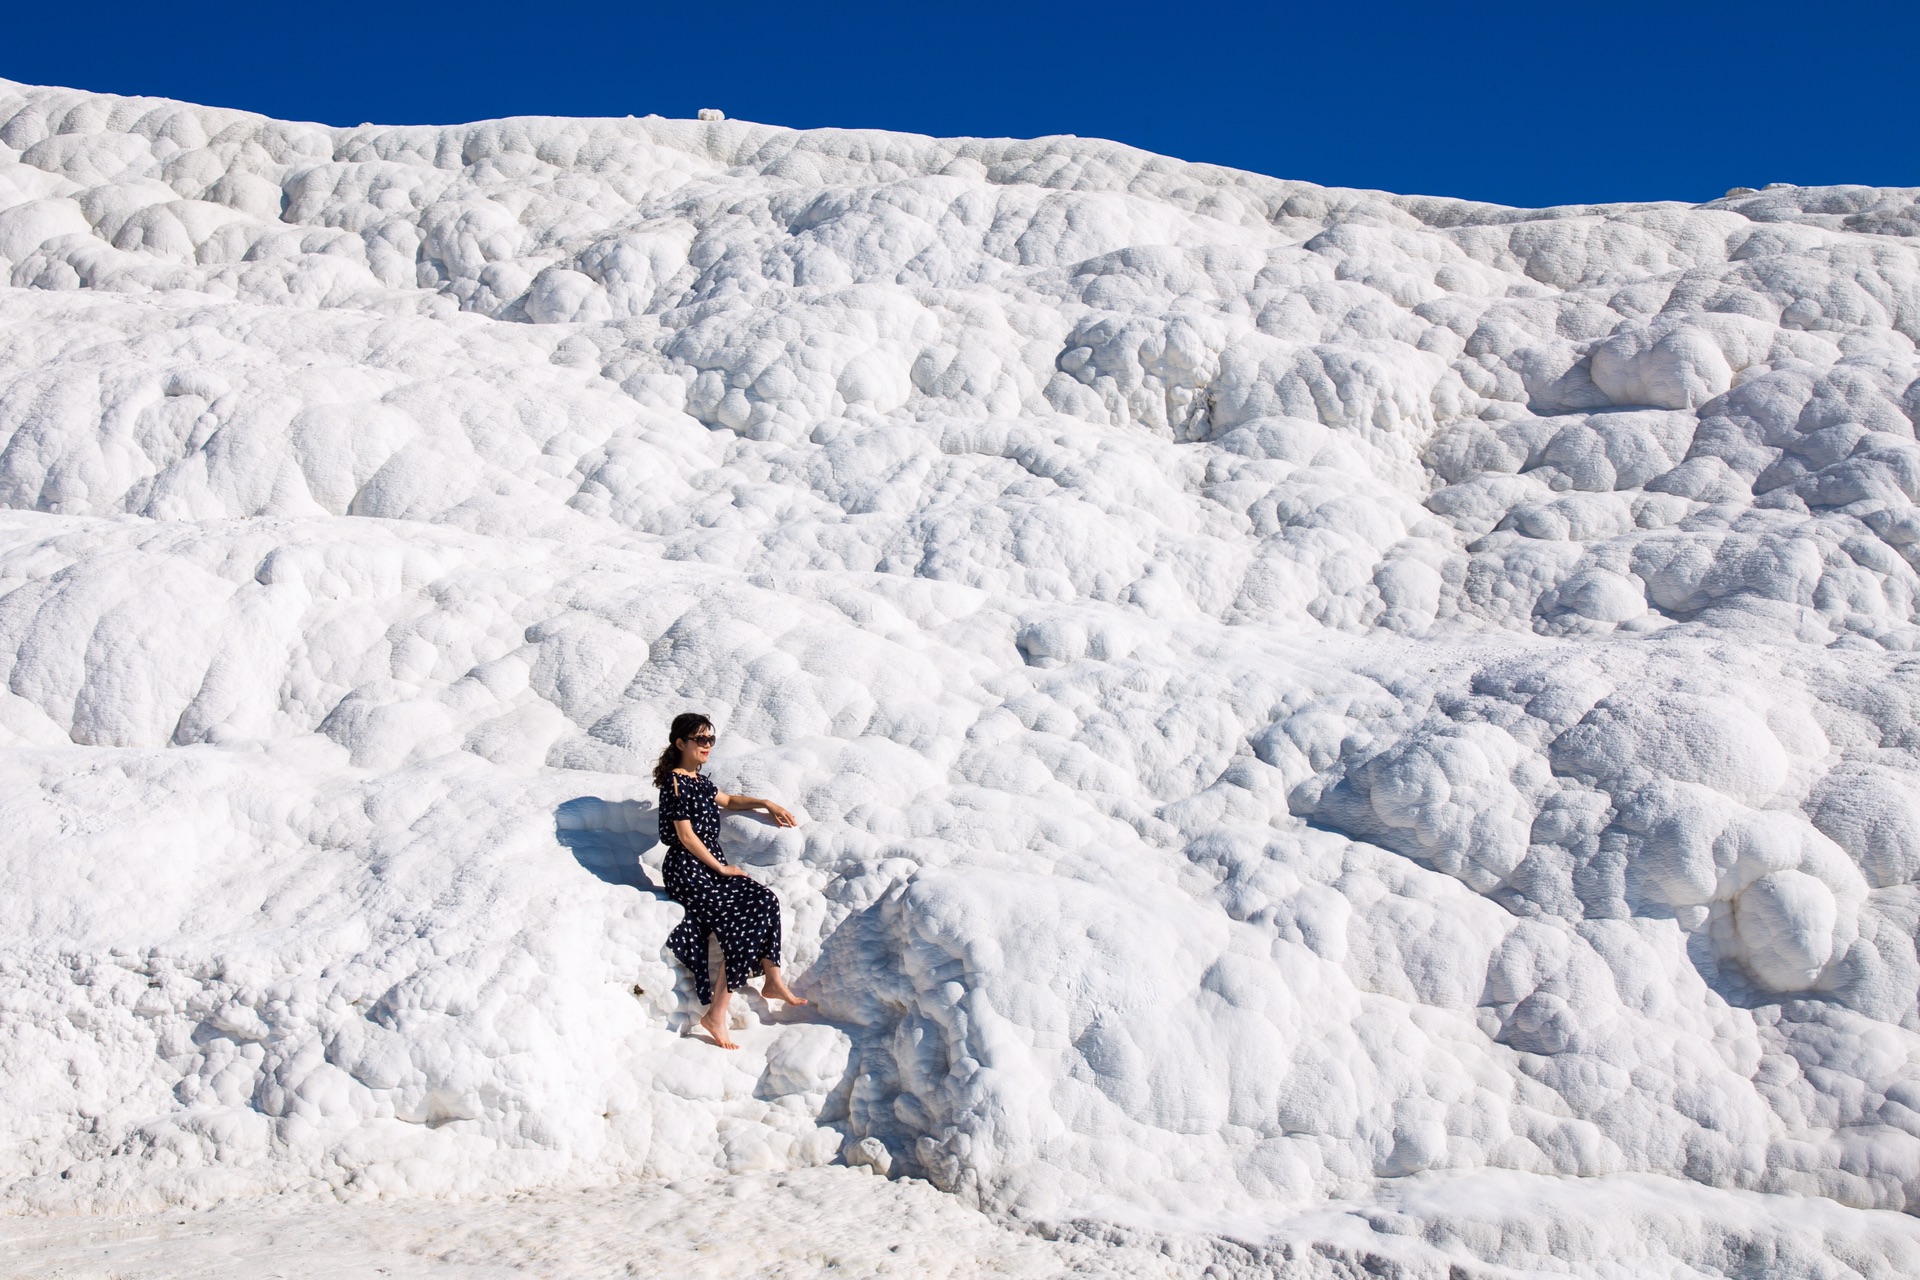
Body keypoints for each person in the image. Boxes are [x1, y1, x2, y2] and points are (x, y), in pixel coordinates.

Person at [653, 712, 807, 1049]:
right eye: (700, 740)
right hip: (687, 869)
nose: (707, 745)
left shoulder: (700, 782)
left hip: (708, 867)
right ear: (681, 743)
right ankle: (716, 1013)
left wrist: (766, 804)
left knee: (764, 899)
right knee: (740, 918)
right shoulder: (675, 784)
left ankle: (773, 977)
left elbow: (728, 800)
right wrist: (721, 869)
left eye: (711, 740)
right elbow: (686, 836)